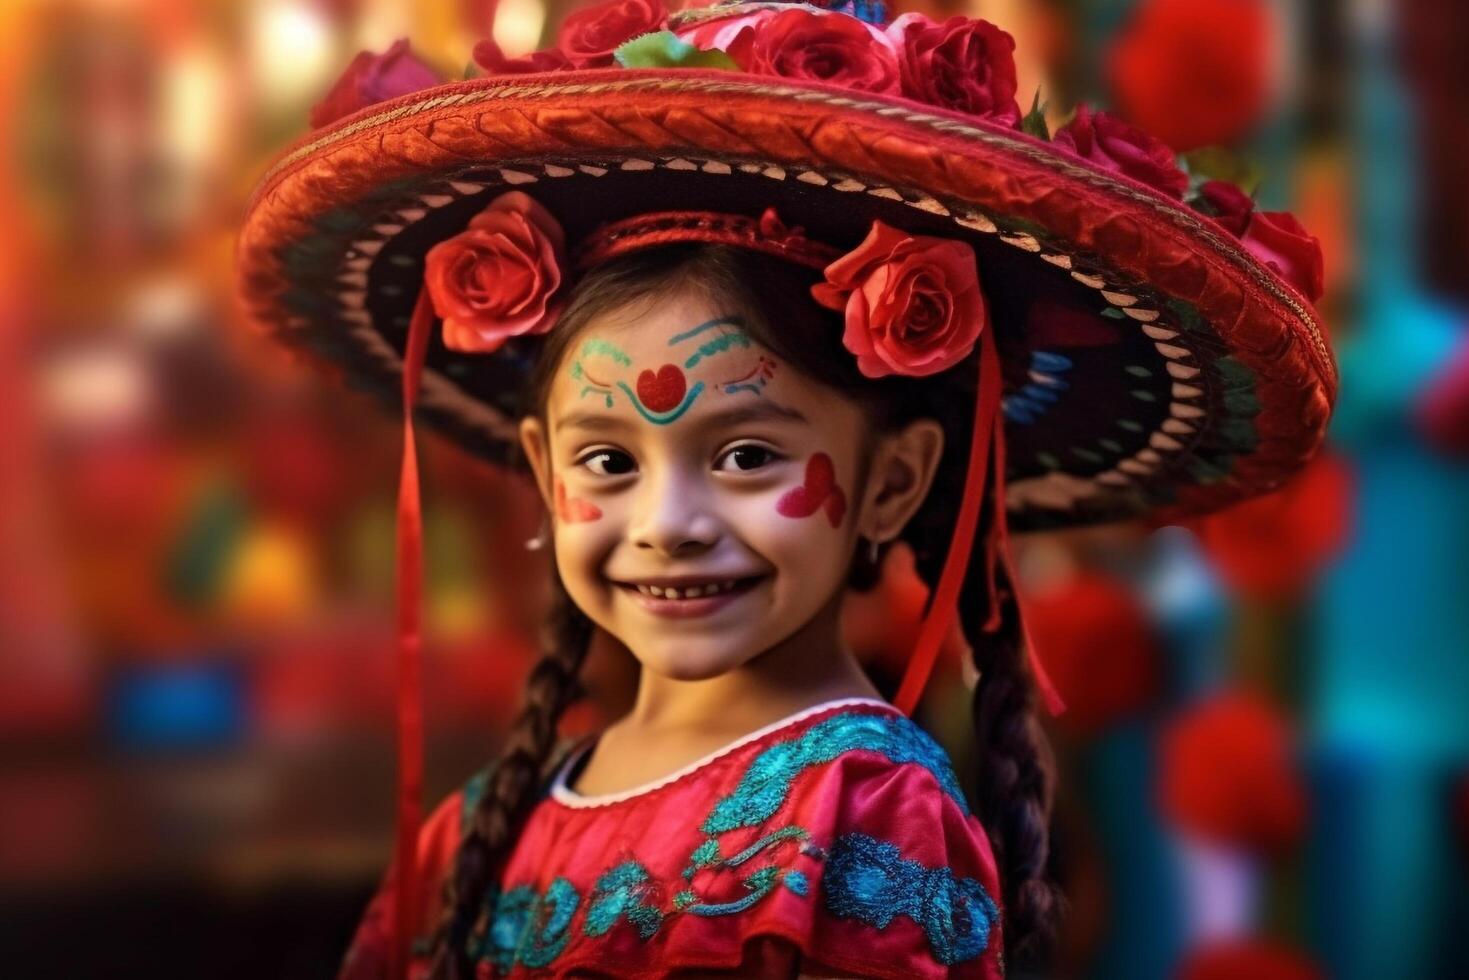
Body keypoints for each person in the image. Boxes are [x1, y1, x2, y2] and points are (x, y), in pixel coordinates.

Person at [235, 1, 1333, 976]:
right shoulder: (474, 830)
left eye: (746, 456)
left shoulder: (859, 814)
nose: (668, 523)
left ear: (892, 479)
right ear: (539, 468)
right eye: (607, 461)